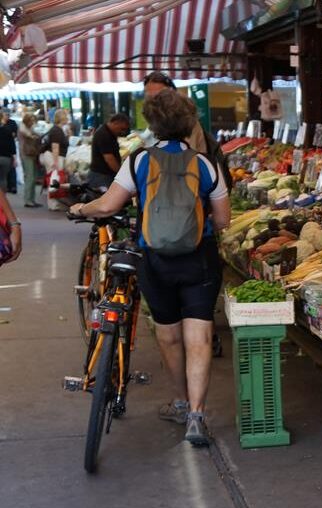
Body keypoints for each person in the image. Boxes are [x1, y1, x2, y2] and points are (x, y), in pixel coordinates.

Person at [68, 90, 230, 446]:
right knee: (199, 336)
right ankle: (197, 418)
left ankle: (180, 401)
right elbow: (223, 221)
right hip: (199, 261)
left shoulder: (139, 160)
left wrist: (80, 210)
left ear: (153, 125)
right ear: (189, 123)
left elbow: (108, 204)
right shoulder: (206, 164)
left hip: (155, 262)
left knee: (168, 334)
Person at [143, 71, 232, 191]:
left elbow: (190, 161)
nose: (154, 101)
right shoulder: (154, 125)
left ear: (173, 94)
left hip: (190, 191)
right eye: (149, 96)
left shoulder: (185, 123)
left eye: (159, 95)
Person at [87, 112, 130, 190]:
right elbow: (109, 159)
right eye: (122, 129)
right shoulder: (104, 135)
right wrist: (121, 174)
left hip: (104, 175)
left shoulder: (109, 133)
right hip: (101, 177)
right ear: (115, 123)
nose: (122, 132)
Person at [17, 113, 42, 207]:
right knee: (30, 177)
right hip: (26, 154)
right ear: (27, 120)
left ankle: (32, 199)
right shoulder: (23, 128)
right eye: (31, 120)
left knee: (33, 177)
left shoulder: (29, 128)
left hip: (31, 154)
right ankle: (28, 200)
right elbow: (29, 136)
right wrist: (34, 136)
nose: (33, 122)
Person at [0, 111, 18, 195]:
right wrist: (14, 158)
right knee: (3, 178)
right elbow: (12, 144)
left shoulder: (11, 124)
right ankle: (3, 199)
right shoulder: (8, 130)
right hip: (6, 157)